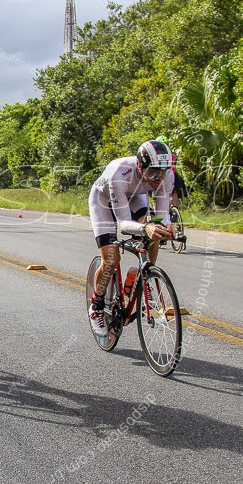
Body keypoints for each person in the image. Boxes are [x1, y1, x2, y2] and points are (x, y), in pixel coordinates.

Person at [87, 140, 175, 337]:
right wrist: (146, 227)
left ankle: (142, 273)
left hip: (134, 196)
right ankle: (96, 306)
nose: (158, 177)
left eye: (163, 171)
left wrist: (166, 225)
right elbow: (124, 224)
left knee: (156, 231)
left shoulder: (165, 175)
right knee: (111, 260)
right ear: (140, 165)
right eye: (153, 171)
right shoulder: (119, 173)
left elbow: (163, 211)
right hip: (103, 202)